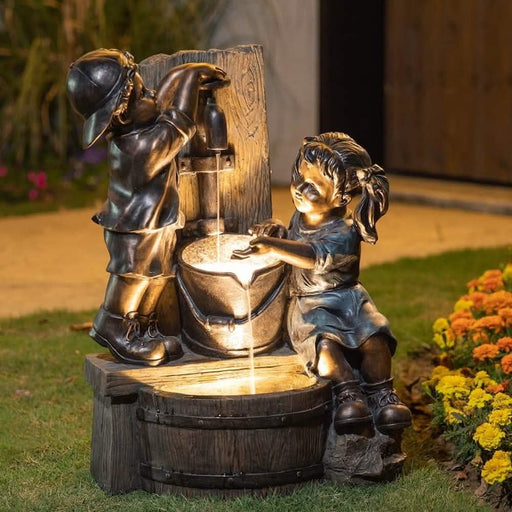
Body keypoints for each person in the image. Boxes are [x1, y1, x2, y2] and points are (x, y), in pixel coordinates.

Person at [233, 132, 411, 435]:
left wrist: (274, 247)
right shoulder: (301, 216)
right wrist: (278, 232)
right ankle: (347, 391)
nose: (300, 189)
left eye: (313, 187)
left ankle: (382, 392)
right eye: (299, 178)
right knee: (325, 346)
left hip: (349, 301)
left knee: (375, 339)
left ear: (341, 199)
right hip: (311, 307)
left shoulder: (344, 231)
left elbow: (313, 255)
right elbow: (296, 240)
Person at [67, 49, 227, 366]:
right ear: (122, 114)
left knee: (157, 275)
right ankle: (114, 325)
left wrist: (178, 75)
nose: (152, 94)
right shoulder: (140, 147)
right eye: (142, 93)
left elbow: (162, 108)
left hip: (154, 224)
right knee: (133, 277)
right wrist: (189, 75)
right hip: (134, 231)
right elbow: (179, 122)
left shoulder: (137, 130)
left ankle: (142, 329)